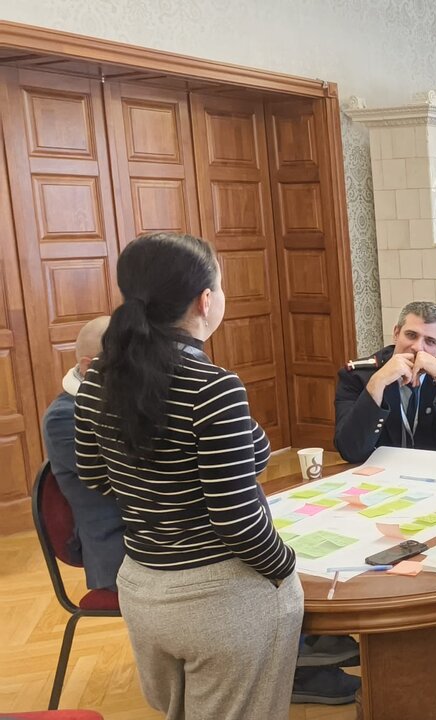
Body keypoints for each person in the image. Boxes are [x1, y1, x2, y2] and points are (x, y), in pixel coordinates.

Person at [74, 232, 304, 718]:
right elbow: (237, 521)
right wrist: (285, 569)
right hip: (218, 598)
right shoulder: (212, 387)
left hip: (142, 586)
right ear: (205, 300)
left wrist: (153, 487)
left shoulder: (98, 377)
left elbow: (94, 476)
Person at [334, 301, 436, 463]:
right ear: (396, 333)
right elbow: (350, 450)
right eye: (411, 335)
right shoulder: (357, 375)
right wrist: (377, 382)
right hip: (382, 471)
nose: (418, 347)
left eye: (430, 341)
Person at [42, 317, 123, 591]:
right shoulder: (63, 417)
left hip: (154, 534)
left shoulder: (125, 399)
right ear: (89, 367)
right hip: (119, 549)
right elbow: (126, 478)